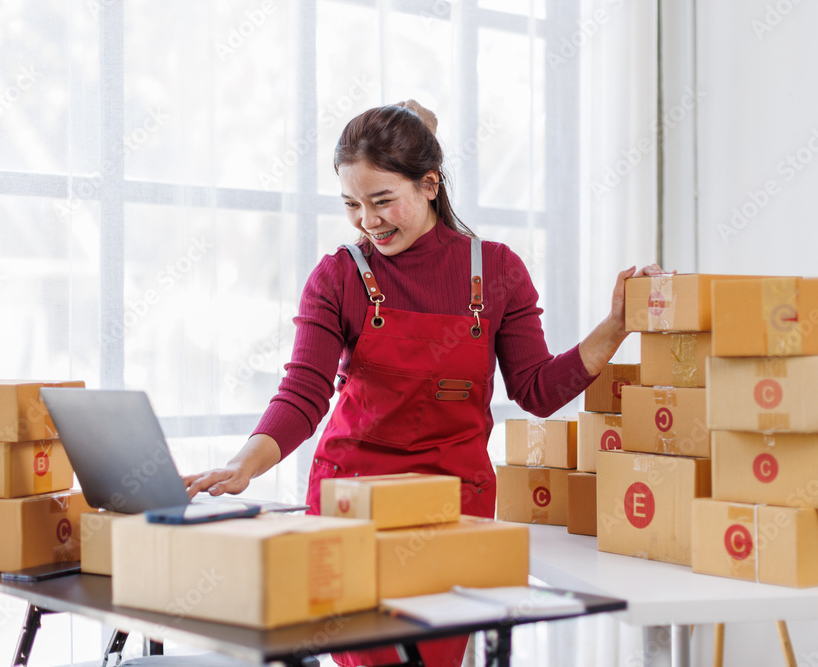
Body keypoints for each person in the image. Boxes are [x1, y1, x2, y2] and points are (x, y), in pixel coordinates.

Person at [184, 100, 664, 667]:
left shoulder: (499, 270)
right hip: (352, 504)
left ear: (430, 184)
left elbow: (536, 389)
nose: (367, 221)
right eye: (351, 205)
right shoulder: (338, 276)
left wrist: (615, 327)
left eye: (382, 200)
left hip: (452, 510)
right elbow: (302, 394)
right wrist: (245, 464)